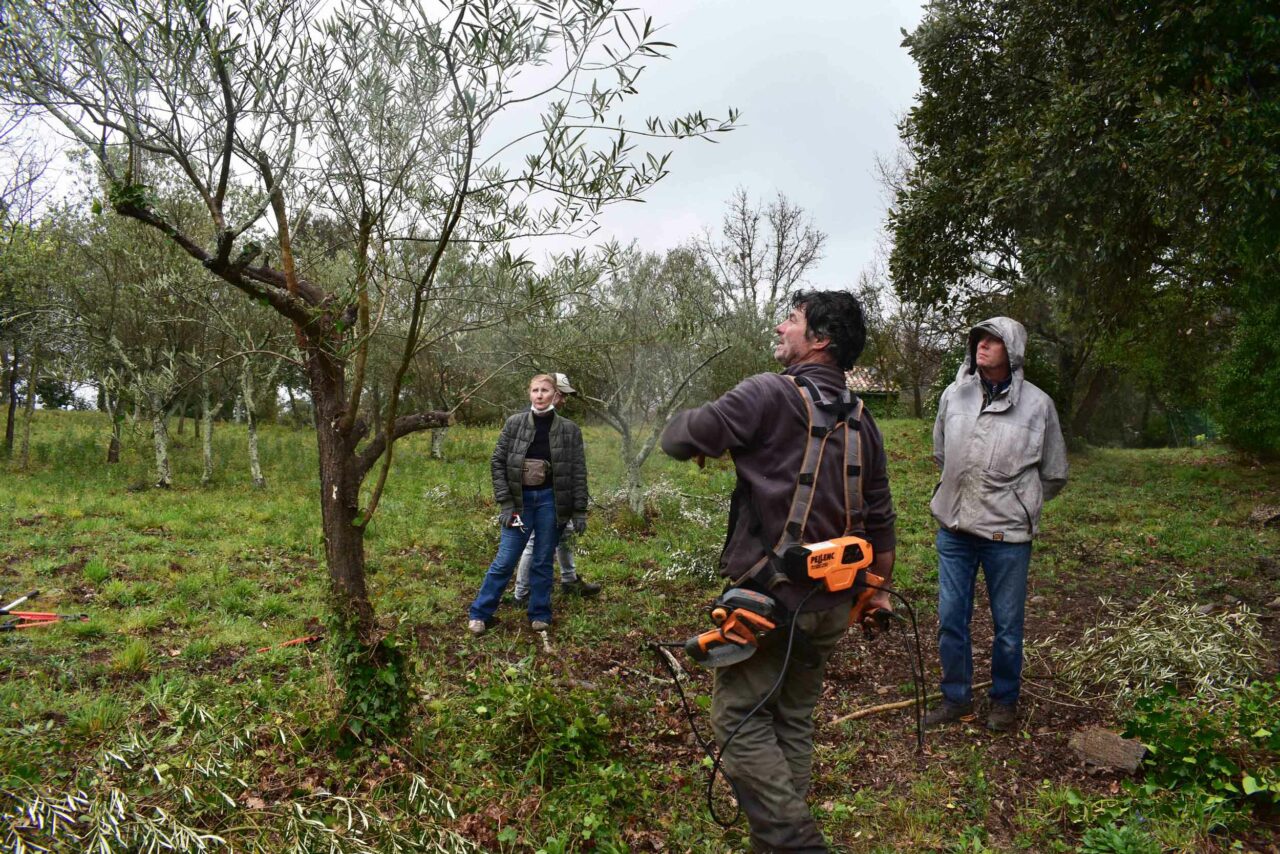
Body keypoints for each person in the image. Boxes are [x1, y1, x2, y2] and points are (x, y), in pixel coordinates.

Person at [660, 290, 897, 853]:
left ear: (819, 340)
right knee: (792, 720)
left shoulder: (767, 393)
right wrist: (877, 592)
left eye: (790, 320)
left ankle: (796, 843)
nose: (779, 326)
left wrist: (711, 434)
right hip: (836, 604)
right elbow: (882, 522)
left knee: (739, 722)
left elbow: (678, 437)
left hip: (769, 606)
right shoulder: (865, 420)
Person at [923, 317, 1068, 732]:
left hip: (1007, 536)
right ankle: (955, 699)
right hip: (954, 528)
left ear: (1013, 350)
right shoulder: (954, 395)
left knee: (1007, 627)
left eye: (993, 340)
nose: (982, 346)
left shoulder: (1038, 406)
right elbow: (941, 451)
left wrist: (1019, 502)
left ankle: (1004, 701)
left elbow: (1054, 472)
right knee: (951, 618)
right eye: (978, 339)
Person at [468, 373, 588, 634]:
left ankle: (539, 613)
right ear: (529, 394)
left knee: (543, 560)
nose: (540, 395)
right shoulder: (515, 424)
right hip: (520, 504)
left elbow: (578, 470)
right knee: (505, 559)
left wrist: (579, 509)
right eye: (535, 390)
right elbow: (498, 462)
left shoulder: (569, 430)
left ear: (555, 394)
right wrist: (506, 504)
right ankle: (479, 613)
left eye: (545, 390)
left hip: (550, 503)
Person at [511, 373, 601, 602]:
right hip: (539, 497)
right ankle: (522, 592)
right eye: (564, 395)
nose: (565, 401)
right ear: (556, 394)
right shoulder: (527, 423)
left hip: (559, 496)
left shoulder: (562, 425)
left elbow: (573, 466)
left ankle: (569, 580)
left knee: (565, 533)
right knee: (534, 543)